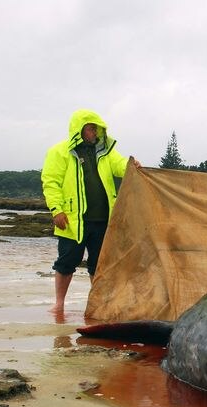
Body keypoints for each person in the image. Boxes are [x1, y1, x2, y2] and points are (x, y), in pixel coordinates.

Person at [41, 109, 141, 313]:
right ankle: (59, 303)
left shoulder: (105, 151)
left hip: (103, 219)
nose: (94, 132)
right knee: (66, 262)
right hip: (72, 220)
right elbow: (50, 182)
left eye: (96, 128)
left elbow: (119, 166)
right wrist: (56, 210)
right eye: (90, 128)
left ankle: (98, 304)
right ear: (80, 129)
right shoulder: (59, 151)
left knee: (99, 265)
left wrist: (131, 165)